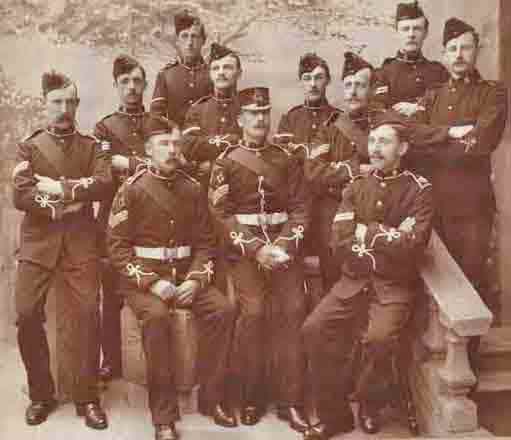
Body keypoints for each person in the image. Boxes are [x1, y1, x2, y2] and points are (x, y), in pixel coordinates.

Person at [302, 116, 434, 439]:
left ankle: (369, 404)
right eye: (372, 141)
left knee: (379, 339)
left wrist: (366, 230)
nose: (375, 148)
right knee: (313, 329)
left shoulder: (419, 190)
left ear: (403, 148)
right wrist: (389, 234)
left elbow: (414, 244)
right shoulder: (356, 185)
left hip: (393, 286)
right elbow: (339, 240)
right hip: (353, 280)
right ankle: (335, 415)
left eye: (384, 142)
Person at [107, 116, 236, 439]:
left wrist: (195, 280)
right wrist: (153, 282)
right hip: (144, 282)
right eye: (163, 144)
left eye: (176, 144)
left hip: (186, 276)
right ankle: (163, 417)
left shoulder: (192, 189)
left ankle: (212, 398)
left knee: (223, 310)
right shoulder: (131, 189)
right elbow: (117, 248)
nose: (171, 150)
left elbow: (206, 243)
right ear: (148, 150)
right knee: (156, 318)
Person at [12, 70, 112, 429]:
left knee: (88, 314)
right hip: (38, 243)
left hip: (81, 243)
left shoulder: (92, 147)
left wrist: (58, 187)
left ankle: (87, 397)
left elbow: (103, 183)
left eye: (70, 102)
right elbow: (21, 193)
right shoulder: (29, 146)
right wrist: (64, 204)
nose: (64, 109)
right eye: (57, 102)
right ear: (45, 104)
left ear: (77, 104)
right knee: (26, 314)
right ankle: (41, 394)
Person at [208, 87, 311, 432]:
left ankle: (291, 402)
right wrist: (256, 249)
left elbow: (301, 208)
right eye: (252, 113)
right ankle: (251, 397)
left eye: (264, 112)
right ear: (240, 119)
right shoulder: (226, 162)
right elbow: (221, 214)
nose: (260, 119)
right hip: (244, 253)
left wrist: (283, 247)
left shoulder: (286, 158)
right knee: (252, 312)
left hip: (283, 249)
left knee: (295, 308)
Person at [410, 17, 508, 373]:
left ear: (476, 50)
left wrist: (436, 139)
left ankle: (471, 364)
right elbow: (412, 136)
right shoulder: (433, 95)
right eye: (452, 49)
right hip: (435, 206)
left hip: (472, 207)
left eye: (465, 47)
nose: (459, 54)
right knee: (436, 283)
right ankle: (436, 360)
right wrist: (453, 133)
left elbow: (481, 142)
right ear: (443, 54)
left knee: (472, 278)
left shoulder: (493, 93)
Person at [93, 54, 153, 383]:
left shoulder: (158, 122)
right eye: (125, 82)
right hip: (114, 217)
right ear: (116, 86)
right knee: (112, 291)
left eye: (137, 81)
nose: (131, 87)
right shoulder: (104, 126)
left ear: (145, 85)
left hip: (153, 218)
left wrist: (124, 162)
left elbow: (169, 165)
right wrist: (142, 163)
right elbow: (103, 170)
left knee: (150, 286)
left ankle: (150, 362)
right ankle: (111, 361)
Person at [298, 52, 379, 292]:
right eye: (348, 85)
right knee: (333, 271)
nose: (353, 92)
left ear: (371, 89)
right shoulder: (329, 129)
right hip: (336, 208)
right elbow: (313, 171)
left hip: (376, 207)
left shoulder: (384, 124)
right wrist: (356, 169)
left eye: (360, 85)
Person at [182, 42, 243, 189]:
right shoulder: (197, 109)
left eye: (227, 67)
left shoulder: (247, 108)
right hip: (204, 185)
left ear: (239, 73)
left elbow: (253, 146)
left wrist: (209, 155)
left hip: (241, 183)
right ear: (210, 74)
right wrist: (232, 140)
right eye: (216, 68)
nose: (221, 72)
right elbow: (188, 146)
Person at [374, 1, 448, 118]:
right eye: (405, 29)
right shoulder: (384, 73)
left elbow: (448, 105)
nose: (411, 34)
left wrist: (419, 107)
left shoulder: (438, 72)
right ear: (397, 33)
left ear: (425, 33)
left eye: (417, 29)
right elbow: (377, 110)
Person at [151, 10, 212, 127]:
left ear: (203, 40)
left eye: (194, 36)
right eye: (184, 36)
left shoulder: (213, 73)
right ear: (177, 41)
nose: (189, 43)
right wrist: (174, 131)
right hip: (175, 135)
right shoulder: (166, 75)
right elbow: (156, 116)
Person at [276, 53, 338, 147]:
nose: (313, 84)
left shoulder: (339, 118)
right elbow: (281, 154)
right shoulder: (290, 120)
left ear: (328, 80)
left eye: (318, 78)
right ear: (300, 82)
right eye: (307, 78)